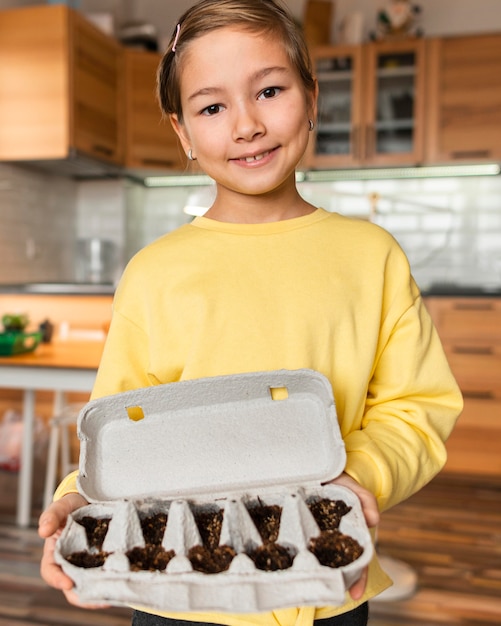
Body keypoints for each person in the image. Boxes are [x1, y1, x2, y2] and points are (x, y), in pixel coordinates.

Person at [38, 1, 463, 625]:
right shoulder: (153, 274)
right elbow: (122, 426)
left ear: (311, 98)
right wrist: (79, 497)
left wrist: (359, 477)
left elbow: (417, 406)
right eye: (212, 107)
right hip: (177, 590)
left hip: (323, 579)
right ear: (182, 131)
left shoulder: (371, 257)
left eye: (268, 90)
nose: (246, 125)